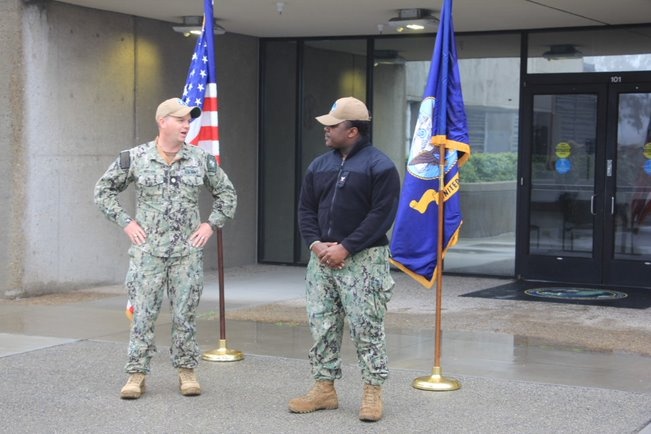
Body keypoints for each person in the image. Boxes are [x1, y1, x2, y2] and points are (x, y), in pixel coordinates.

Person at [94, 98, 237, 399]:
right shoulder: (135, 158)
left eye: (189, 120)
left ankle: (186, 371)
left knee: (185, 314)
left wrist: (210, 224)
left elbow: (227, 194)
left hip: (186, 254)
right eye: (181, 119)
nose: (187, 125)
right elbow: (103, 191)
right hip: (148, 254)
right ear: (163, 122)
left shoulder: (200, 159)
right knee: (143, 315)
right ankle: (136, 374)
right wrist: (126, 223)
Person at [289, 96, 400, 422]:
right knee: (322, 325)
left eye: (333, 125)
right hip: (321, 261)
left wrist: (346, 247)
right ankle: (324, 389)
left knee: (367, 329)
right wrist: (315, 244)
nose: (325, 129)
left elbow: (381, 215)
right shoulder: (318, 166)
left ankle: (372, 392)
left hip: (364, 261)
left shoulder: (379, 166)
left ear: (353, 131)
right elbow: (306, 209)